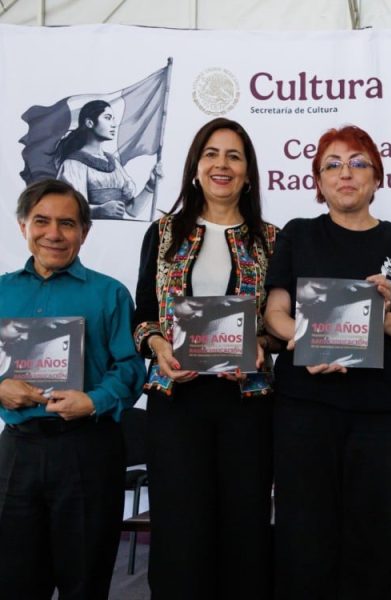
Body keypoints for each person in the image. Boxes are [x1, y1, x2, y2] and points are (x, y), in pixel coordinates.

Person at [264, 124, 391, 600]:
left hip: (385, 418)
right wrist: (310, 340)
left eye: (359, 163)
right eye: (333, 165)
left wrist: (380, 316)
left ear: (376, 178)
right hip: (306, 410)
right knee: (305, 539)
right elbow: (274, 314)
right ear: (318, 181)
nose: (346, 173)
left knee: (378, 543)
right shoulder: (298, 234)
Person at [133, 117, 279, 599]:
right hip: (176, 401)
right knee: (180, 527)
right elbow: (144, 315)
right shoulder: (163, 233)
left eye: (234, 156)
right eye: (211, 154)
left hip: (247, 404)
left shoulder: (271, 239)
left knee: (244, 525)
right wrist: (159, 347)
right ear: (196, 166)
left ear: (248, 173)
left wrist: (262, 346)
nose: (222, 164)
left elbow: (281, 326)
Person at [0, 178, 145, 599]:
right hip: (18, 450)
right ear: (23, 226)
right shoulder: (2, 291)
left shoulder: (109, 293)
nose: (54, 233)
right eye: (41, 221)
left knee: (85, 580)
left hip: (88, 448)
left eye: (67, 223)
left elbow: (130, 367)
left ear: (85, 230)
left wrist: (94, 400)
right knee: (13, 579)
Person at [55, 100, 160, 219]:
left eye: (113, 119)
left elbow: (132, 210)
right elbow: (69, 209)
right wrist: (98, 210)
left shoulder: (113, 162)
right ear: (90, 123)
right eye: (108, 118)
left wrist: (150, 185)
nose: (114, 124)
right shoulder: (73, 164)